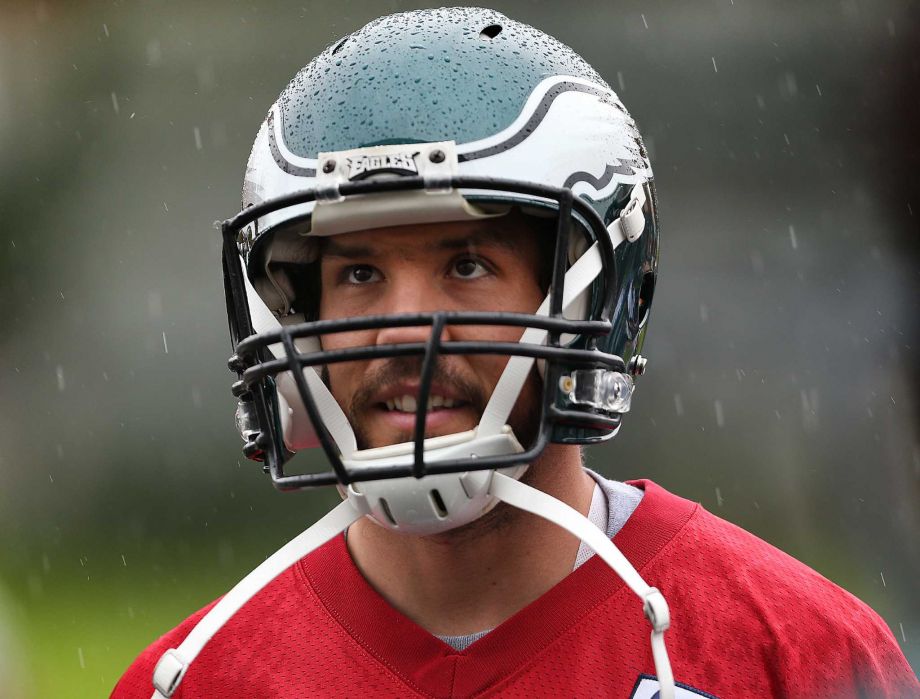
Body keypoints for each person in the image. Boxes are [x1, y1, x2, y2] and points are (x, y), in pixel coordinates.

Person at [113, 8, 918, 698]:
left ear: (591, 298)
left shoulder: (790, 650)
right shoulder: (198, 676)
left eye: (467, 264)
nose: (401, 327)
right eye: (359, 271)